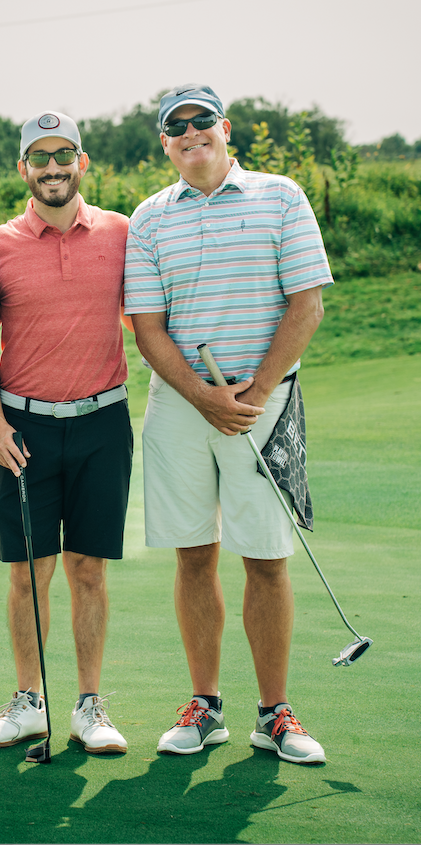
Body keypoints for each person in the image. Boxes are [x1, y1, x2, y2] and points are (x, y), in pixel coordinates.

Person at [124, 83, 333, 764]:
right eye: (175, 126)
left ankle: (274, 711)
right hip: (181, 407)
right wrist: (202, 397)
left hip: (262, 405)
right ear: (165, 142)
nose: (191, 133)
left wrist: (255, 391)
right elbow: (147, 328)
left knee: (266, 559)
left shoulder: (282, 195)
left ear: (225, 127)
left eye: (201, 121)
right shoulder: (151, 217)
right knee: (193, 553)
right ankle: (204, 704)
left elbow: (306, 305)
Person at [0, 111, 133, 755]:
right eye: (40, 157)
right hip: (24, 428)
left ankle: (89, 706)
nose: (53, 167)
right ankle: (29, 702)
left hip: (103, 422)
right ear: (24, 170)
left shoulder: (123, 232)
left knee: (88, 568)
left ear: (82, 162)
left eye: (64, 154)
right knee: (29, 572)